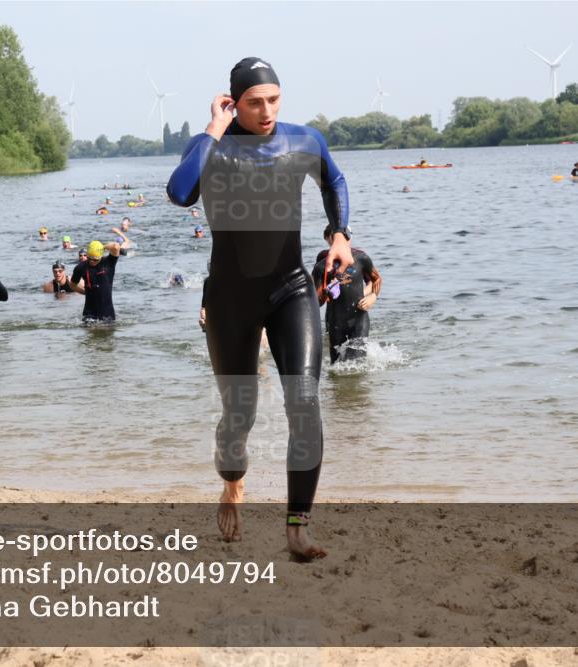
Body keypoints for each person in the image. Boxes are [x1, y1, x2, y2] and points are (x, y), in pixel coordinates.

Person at [167, 56, 352, 560]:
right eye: (254, 102)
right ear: (233, 102)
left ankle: (297, 527)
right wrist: (212, 128)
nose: (266, 110)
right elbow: (180, 192)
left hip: (291, 289)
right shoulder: (213, 148)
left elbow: (334, 182)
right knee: (238, 415)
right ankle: (232, 484)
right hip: (229, 298)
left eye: (273, 99)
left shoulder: (303, 140)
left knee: (305, 401)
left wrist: (339, 234)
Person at [312, 227, 381, 364]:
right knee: (337, 367)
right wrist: (325, 292)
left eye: (346, 238)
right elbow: (316, 300)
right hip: (335, 320)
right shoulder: (322, 264)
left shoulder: (361, 258)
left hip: (358, 318)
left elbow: (376, 279)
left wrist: (373, 296)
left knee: (356, 363)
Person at [70, 240, 120, 322]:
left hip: (107, 312)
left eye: (95, 259)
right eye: (89, 259)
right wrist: (84, 292)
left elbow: (116, 246)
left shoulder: (109, 263)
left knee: (109, 334)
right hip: (89, 312)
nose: (92, 261)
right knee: (89, 334)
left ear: (101, 256)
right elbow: (72, 284)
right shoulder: (81, 267)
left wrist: (102, 247)